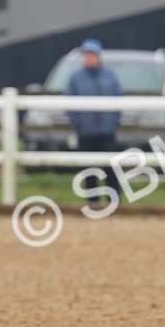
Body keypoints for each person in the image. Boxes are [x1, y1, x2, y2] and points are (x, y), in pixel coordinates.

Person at [65, 38, 123, 205]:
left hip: (107, 132)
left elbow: (119, 99)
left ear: (98, 56)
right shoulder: (76, 78)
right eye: (86, 54)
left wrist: (113, 122)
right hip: (86, 133)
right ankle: (93, 202)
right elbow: (69, 103)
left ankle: (114, 201)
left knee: (111, 169)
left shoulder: (109, 76)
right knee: (89, 170)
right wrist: (79, 124)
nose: (89, 58)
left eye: (92, 54)